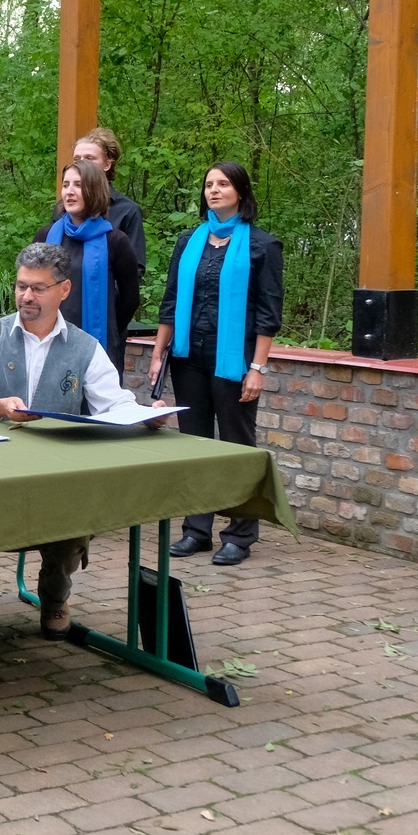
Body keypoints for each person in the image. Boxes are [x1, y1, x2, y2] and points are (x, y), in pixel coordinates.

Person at [0, 243, 165, 641]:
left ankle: (54, 598)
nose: (26, 296)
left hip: (55, 470)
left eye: (38, 288)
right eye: (21, 286)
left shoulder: (85, 347)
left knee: (76, 506)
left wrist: (146, 415)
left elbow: (114, 402)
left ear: (64, 290)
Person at [151, 161, 283, 567]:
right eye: (208, 184)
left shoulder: (262, 245)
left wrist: (257, 368)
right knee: (195, 445)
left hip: (235, 360)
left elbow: (268, 313)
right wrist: (158, 353)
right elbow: (171, 299)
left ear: (240, 191)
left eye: (223, 183)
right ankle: (196, 530)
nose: (214, 190)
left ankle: (240, 534)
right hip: (188, 357)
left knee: (236, 447)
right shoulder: (189, 241)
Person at [35, 159, 141, 375]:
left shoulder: (115, 241)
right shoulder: (45, 236)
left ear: (95, 189)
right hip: (48, 341)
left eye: (78, 185)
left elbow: (130, 299)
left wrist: (108, 327)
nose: (69, 192)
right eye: (66, 185)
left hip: (98, 344)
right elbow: (30, 286)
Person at [53, 128, 146, 276]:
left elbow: (134, 270)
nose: (82, 163)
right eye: (77, 159)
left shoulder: (127, 211)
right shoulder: (64, 207)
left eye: (89, 158)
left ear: (107, 165)